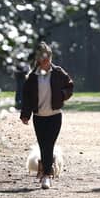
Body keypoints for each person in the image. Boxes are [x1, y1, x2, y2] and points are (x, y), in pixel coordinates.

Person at [20, 42, 74, 189]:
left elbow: (70, 86)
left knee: (49, 144)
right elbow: (27, 97)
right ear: (38, 59)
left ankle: (47, 175)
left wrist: (62, 95)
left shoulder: (58, 72)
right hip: (39, 117)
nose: (46, 61)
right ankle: (45, 168)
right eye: (43, 58)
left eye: (48, 58)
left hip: (55, 116)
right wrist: (25, 114)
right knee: (43, 145)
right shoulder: (32, 77)